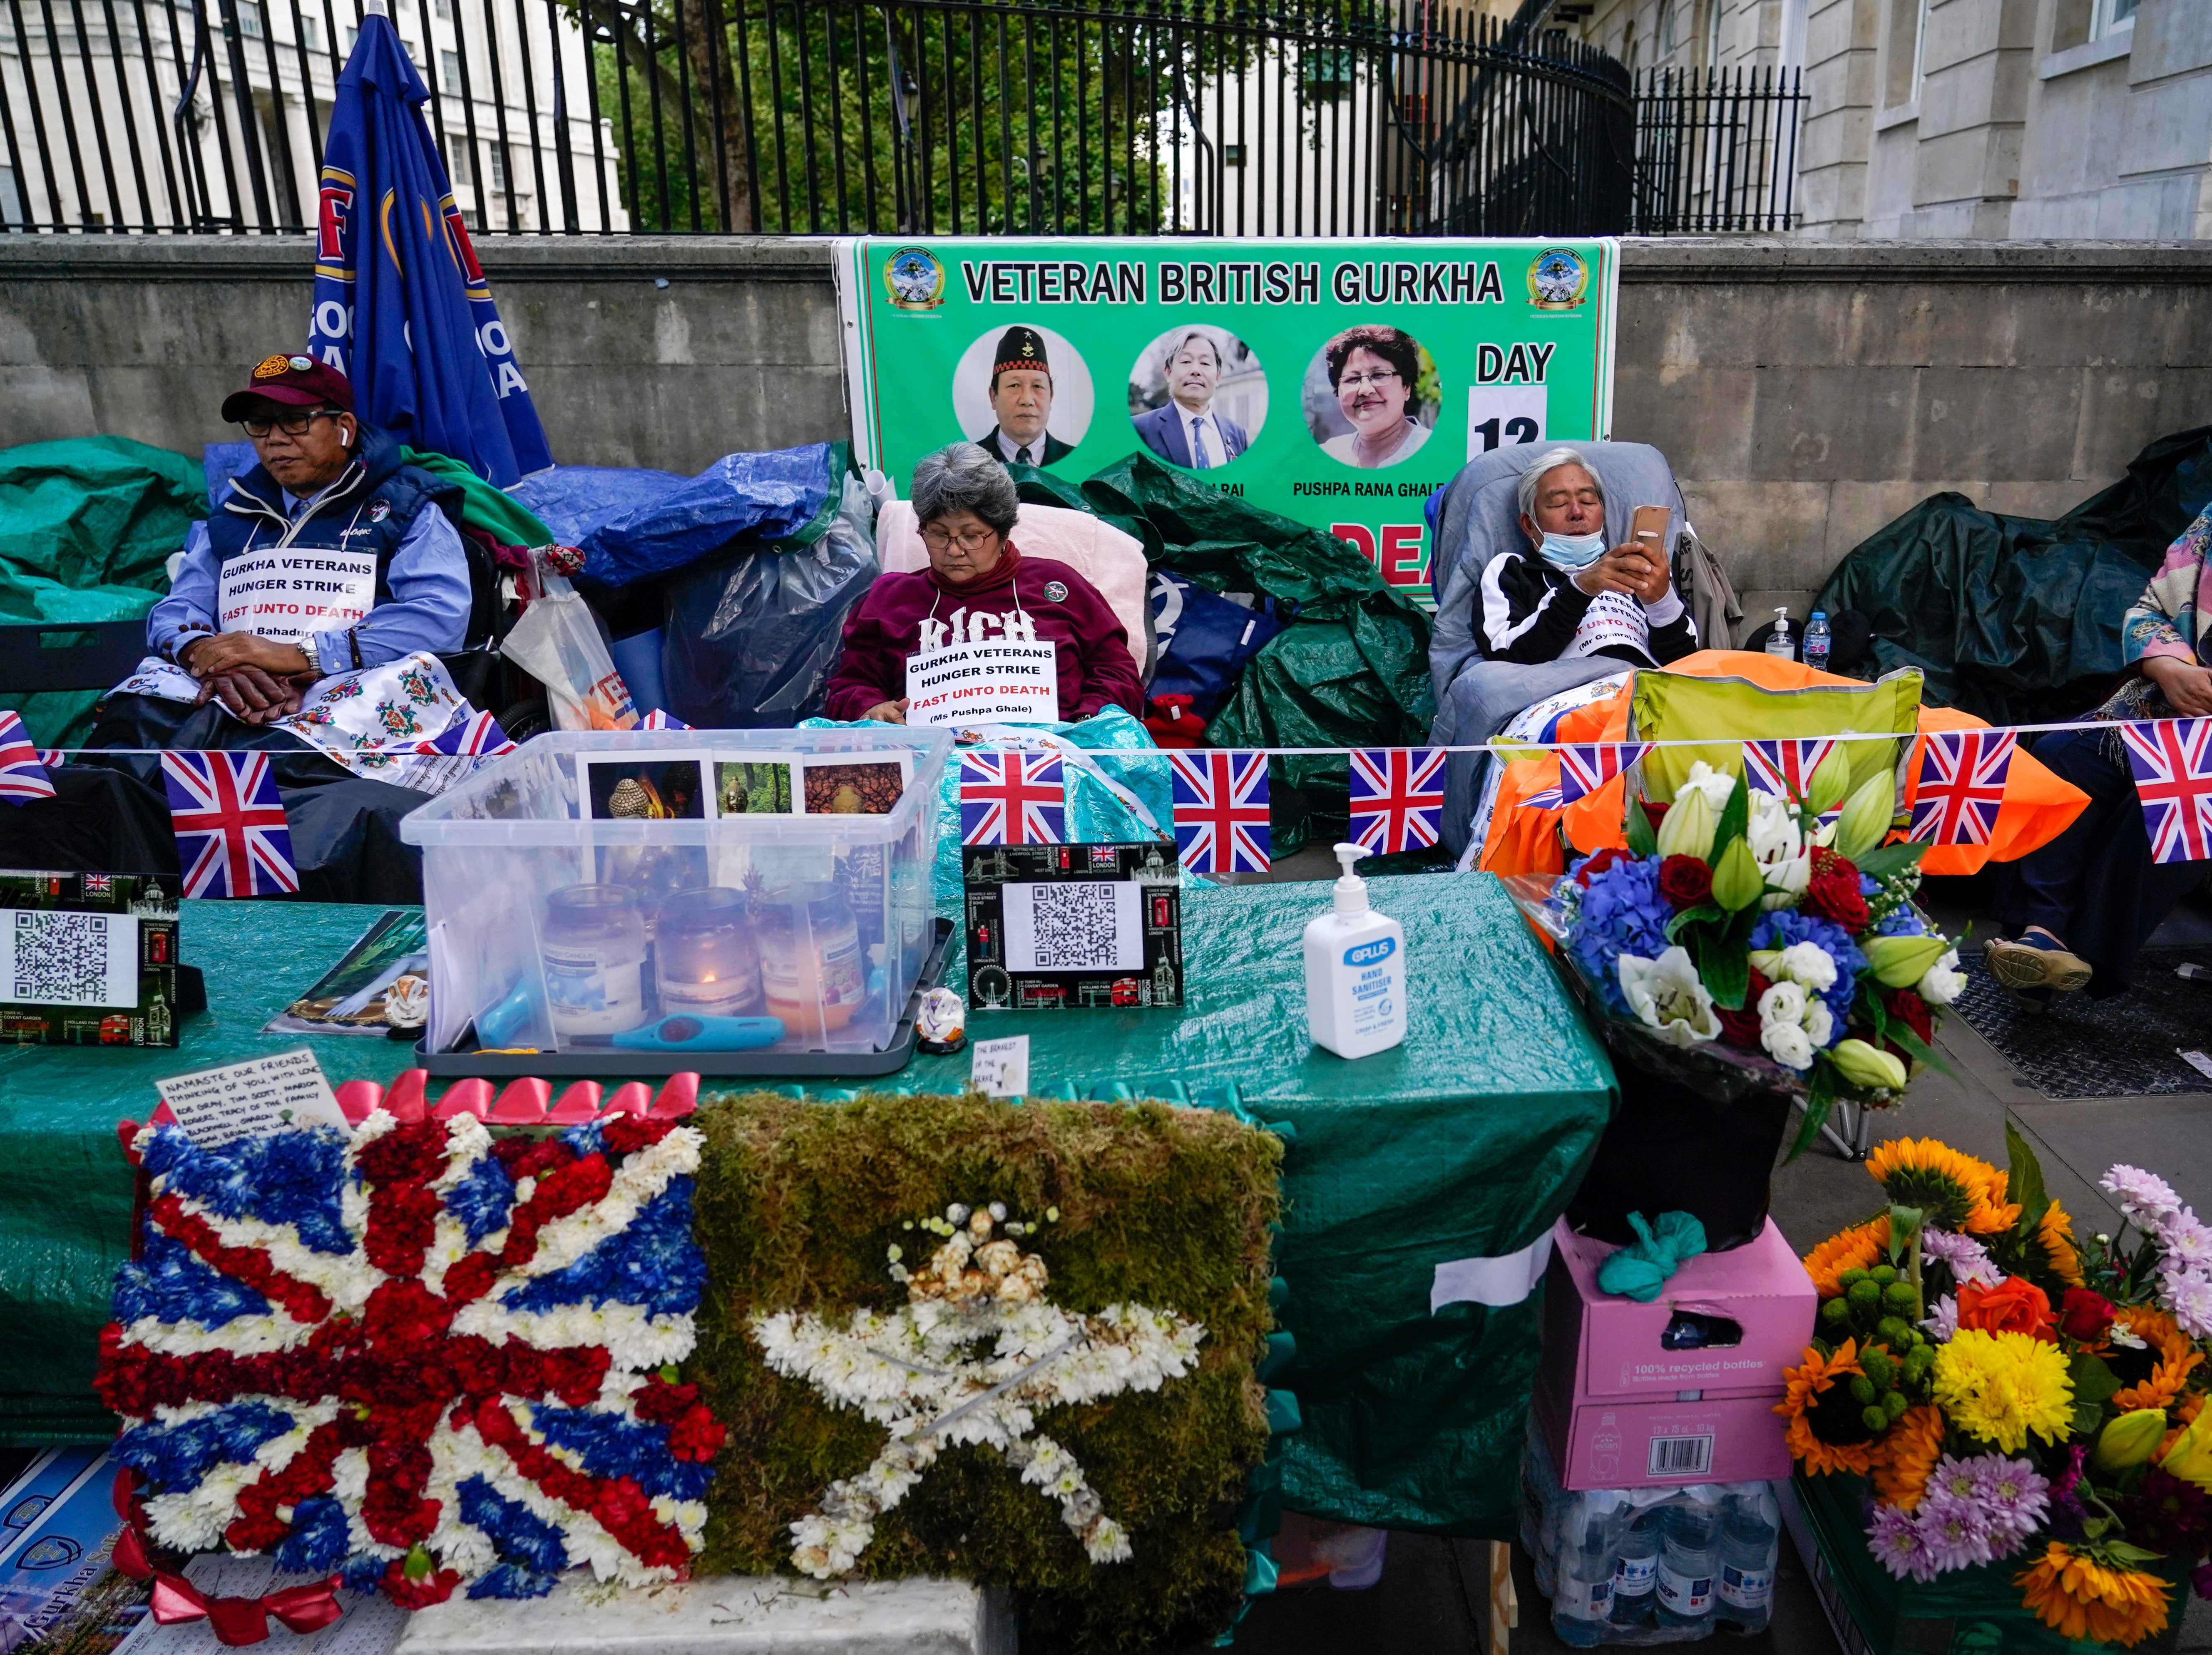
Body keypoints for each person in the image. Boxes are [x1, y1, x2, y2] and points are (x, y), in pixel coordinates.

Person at [92, 352, 472, 745]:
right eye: (260, 424)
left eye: (295, 421)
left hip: (352, 687)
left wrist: (299, 655)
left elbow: (439, 618)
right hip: (234, 685)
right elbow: (178, 608)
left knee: (288, 756)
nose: (275, 438)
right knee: (129, 723)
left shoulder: (406, 505)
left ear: (344, 427)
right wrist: (205, 654)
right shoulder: (235, 510)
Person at [1988, 503, 2212, 1005]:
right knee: (2061, 756)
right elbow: (2150, 607)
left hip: (2202, 747)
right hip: (2167, 710)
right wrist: (2168, 668)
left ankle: (2079, 956)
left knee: (2164, 798)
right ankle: (2039, 931)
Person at [823, 444, 1144, 725]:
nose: (953, 550)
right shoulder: (890, 600)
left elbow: (1117, 672)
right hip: (934, 765)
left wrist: (1086, 721)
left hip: (1056, 760)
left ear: (1003, 532)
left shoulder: (1059, 585)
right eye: (938, 533)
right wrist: (871, 709)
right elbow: (849, 685)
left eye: (971, 535)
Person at [1474, 446, 1698, 669]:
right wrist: (1579, 590)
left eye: (1588, 501)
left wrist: (1661, 602)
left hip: (1648, 690)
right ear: (1529, 525)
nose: (1577, 512)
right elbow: (1504, 655)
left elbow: (1685, 664)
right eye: (1558, 503)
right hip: (1571, 695)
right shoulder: (1511, 571)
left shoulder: (1637, 570)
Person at [1131, 330, 1250, 469]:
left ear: (1218, 376)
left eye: (1205, 363)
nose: (1196, 370)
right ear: (1169, 373)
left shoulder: (1237, 434)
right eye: (1186, 361)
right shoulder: (1140, 429)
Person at [1318, 325, 1431, 469]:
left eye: (1379, 375)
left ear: (1407, 387)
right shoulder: (1328, 455)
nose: (1365, 390)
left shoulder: (1435, 455)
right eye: (1353, 379)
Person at [978, 325, 1071, 467]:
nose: (1027, 400)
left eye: (1038, 387)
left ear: (1051, 397)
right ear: (993, 397)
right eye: (1014, 386)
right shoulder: (966, 465)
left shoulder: (1078, 461)